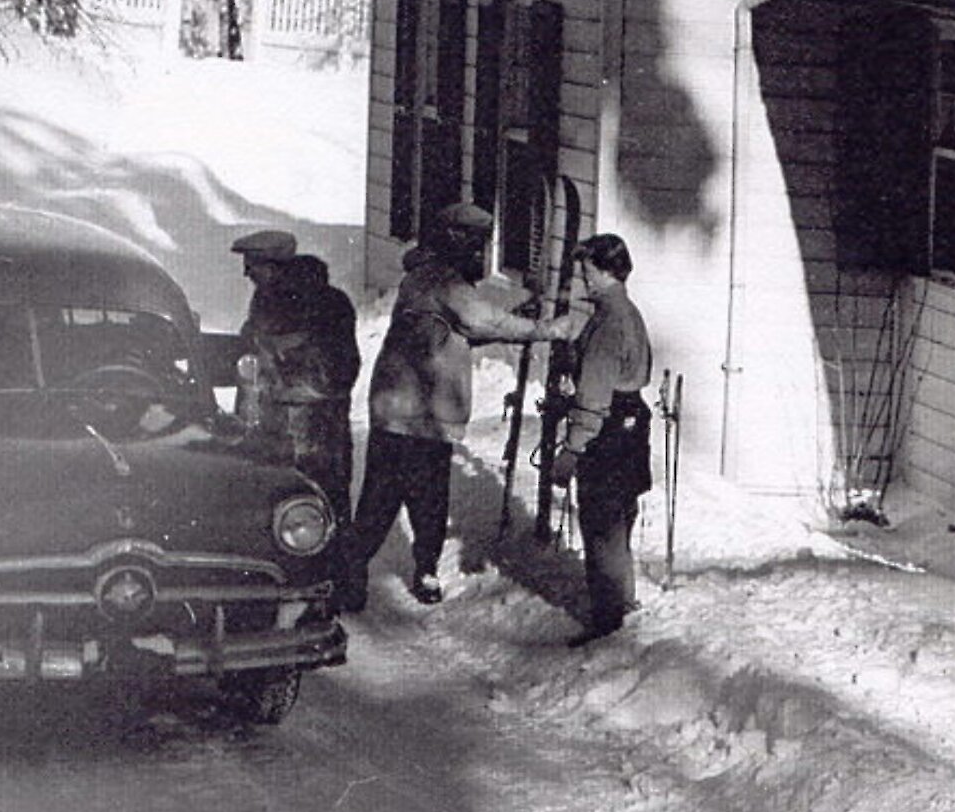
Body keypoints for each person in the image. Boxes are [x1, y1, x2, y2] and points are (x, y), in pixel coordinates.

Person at [337, 202, 574, 612]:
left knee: (382, 497)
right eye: (477, 245)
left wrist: (517, 321)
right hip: (418, 413)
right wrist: (546, 330)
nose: (482, 255)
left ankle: (353, 576)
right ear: (457, 242)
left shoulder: (423, 278)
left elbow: (463, 329)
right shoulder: (442, 281)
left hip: (399, 409)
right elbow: (484, 321)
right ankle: (417, 573)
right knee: (422, 498)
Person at [545, 232, 654, 646]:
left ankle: (607, 622)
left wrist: (571, 451)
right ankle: (622, 601)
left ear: (606, 271)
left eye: (588, 271)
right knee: (621, 515)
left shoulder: (609, 322)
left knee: (602, 523)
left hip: (607, 432)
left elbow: (592, 400)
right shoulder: (628, 311)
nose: (584, 279)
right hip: (631, 424)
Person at [229, 232, 360, 521]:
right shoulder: (264, 302)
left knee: (324, 512)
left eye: (254, 267)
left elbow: (339, 375)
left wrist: (279, 387)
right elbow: (251, 355)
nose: (247, 274)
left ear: (276, 269)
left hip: (319, 438)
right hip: (272, 435)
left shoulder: (329, 306)